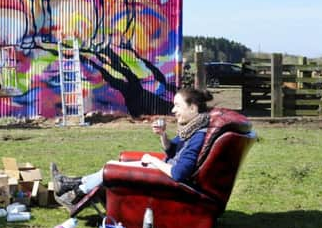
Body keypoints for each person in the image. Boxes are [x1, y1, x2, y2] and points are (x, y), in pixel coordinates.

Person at [51, 87, 214, 210]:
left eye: (177, 106)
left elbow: (179, 173)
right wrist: (163, 135)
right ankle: (70, 185)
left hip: (165, 180)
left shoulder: (198, 135)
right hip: (162, 173)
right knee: (111, 165)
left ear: (193, 108)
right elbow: (173, 151)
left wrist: (153, 160)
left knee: (112, 168)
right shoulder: (192, 128)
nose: (173, 110)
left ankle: (74, 194)